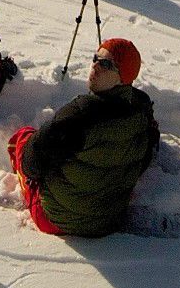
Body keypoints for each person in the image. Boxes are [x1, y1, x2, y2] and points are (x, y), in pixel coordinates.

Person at [8, 38, 157, 237]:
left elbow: (31, 164)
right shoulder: (141, 111)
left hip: (58, 219)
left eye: (106, 64)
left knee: (22, 138)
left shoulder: (80, 115)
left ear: (123, 76)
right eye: (95, 58)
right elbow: (144, 158)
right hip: (109, 221)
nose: (95, 65)